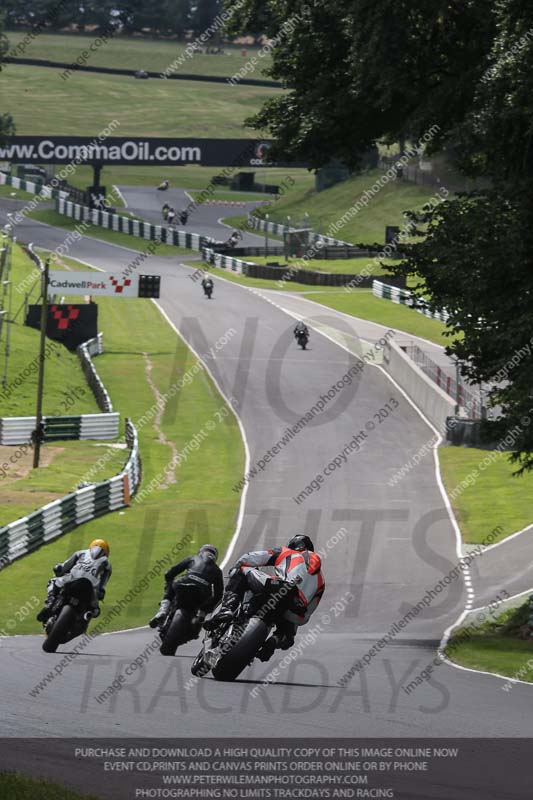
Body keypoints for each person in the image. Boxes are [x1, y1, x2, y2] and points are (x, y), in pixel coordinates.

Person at [206, 535, 325, 660]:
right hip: (296, 606)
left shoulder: (287, 552)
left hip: (278, 587)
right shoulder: (322, 581)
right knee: (289, 635)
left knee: (241, 570)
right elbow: (309, 612)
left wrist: (236, 566)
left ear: (294, 545)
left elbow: (251, 557)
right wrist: (297, 617)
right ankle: (273, 643)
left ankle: (227, 608)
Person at [36, 539, 112, 623]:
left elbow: (65, 566)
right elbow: (104, 581)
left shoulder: (81, 553)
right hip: (91, 588)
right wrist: (100, 591)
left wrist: (59, 569)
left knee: (53, 581)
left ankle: (50, 601)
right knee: (95, 610)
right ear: (106, 552)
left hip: (73, 579)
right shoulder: (107, 563)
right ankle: (86, 616)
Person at [149, 544, 224, 628]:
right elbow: (219, 595)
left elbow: (170, 573)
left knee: (172, 584)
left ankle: (163, 609)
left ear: (201, 552)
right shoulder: (217, 570)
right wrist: (206, 609)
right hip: (202, 595)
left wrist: (169, 583)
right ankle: (201, 615)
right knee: (211, 598)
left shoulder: (192, 558)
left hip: (182, 585)